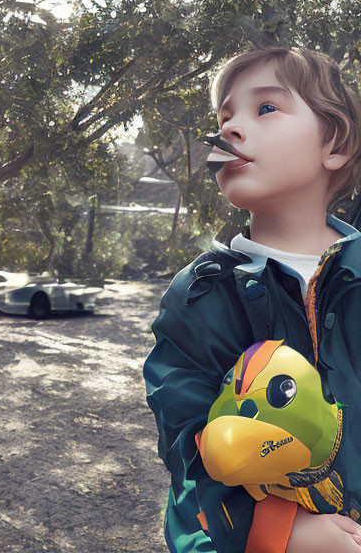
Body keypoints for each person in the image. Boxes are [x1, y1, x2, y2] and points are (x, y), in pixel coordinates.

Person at [144, 46, 361, 553]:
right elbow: (188, 442)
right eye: (224, 118)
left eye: (266, 108)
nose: (231, 130)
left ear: (335, 144)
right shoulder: (198, 296)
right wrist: (278, 531)